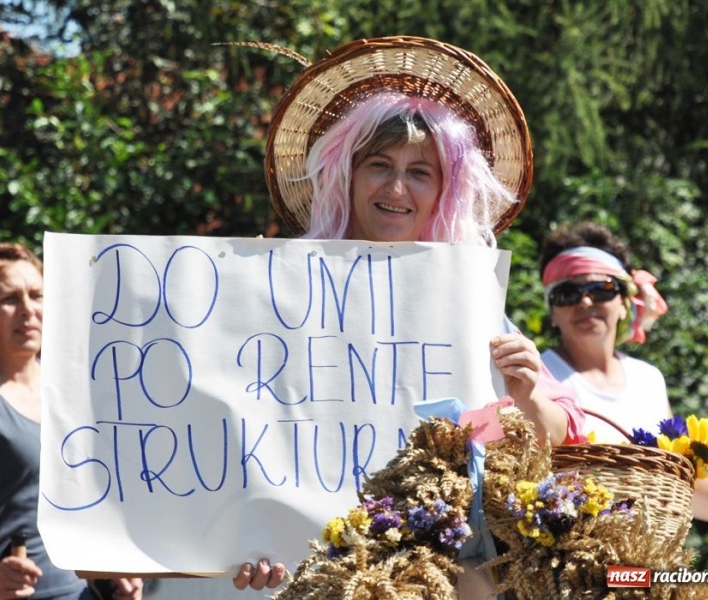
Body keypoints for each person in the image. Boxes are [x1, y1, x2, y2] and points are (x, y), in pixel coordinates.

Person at [232, 35, 587, 594]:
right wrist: (250, 537)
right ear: (346, 175)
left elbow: (549, 442)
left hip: (445, 574)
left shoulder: (469, 308)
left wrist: (521, 396)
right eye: (378, 164)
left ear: (446, 191)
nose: (396, 187)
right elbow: (240, 429)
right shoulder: (280, 295)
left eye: (420, 172)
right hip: (311, 568)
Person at [0, 242, 144, 600]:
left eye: (37, 296)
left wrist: (111, 577)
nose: (27, 310)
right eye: (9, 299)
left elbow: (90, 504)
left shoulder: (75, 390)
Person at [539, 220, 708, 529]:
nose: (585, 301)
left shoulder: (648, 379)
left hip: (650, 550)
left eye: (601, 289)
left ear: (625, 302)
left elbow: (680, 483)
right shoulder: (536, 377)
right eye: (567, 293)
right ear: (552, 312)